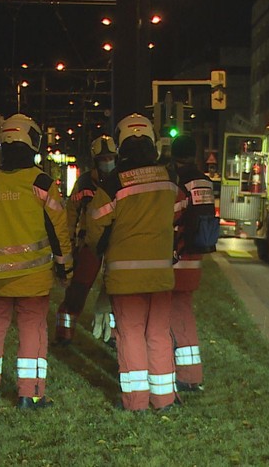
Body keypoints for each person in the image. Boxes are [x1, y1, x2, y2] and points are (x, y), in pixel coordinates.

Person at [0, 113, 73, 410]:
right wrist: (65, 269)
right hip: (33, 278)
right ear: (33, 142)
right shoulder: (41, 183)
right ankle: (31, 393)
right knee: (32, 331)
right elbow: (58, 231)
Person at [85, 113, 179, 412]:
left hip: (125, 278)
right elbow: (178, 213)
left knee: (130, 335)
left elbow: (96, 225)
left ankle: (135, 401)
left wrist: (99, 248)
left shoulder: (113, 183)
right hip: (161, 275)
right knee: (159, 334)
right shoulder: (168, 177)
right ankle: (164, 398)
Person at [54, 135, 118, 345]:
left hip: (115, 243)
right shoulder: (84, 183)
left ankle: (112, 334)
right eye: (103, 159)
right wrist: (70, 241)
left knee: (116, 290)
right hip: (89, 243)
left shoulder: (120, 180)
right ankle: (64, 332)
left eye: (110, 157)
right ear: (95, 161)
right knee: (78, 289)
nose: (107, 162)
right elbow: (72, 212)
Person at [170, 135, 218, 393]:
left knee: (166, 316)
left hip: (177, 257)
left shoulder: (178, 181)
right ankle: (190, 373)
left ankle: (175, 372)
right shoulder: (205, 181)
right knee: (184, 312)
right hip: (195, 258)